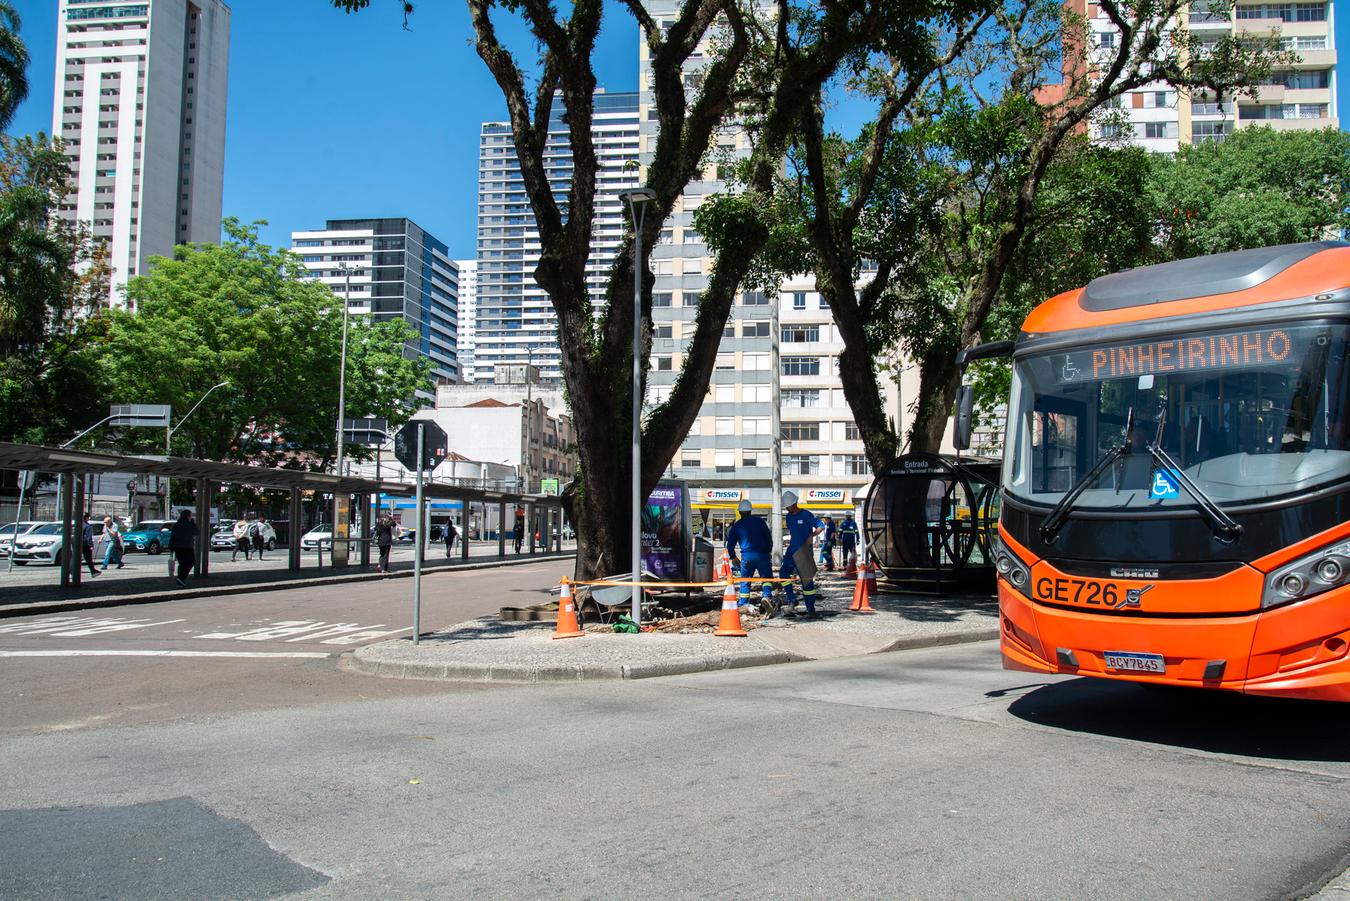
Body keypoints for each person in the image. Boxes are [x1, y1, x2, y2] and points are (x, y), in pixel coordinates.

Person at [780, 491, 823, 617]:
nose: (788, 509)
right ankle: (792, 600)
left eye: (789, 506)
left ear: (795, 503)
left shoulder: (806, 514)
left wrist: (812, 535)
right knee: (783, 574)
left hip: (804, 551)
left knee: (807, 581)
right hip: (792, 551)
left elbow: (820, 526)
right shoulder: (788, 517)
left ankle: (811, 609)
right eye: (786, 507)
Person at [724, 500, 773, 608]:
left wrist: (733, 557)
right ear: (750, 511)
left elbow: (730, 545)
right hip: (762, 555)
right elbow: (768, 539)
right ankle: (767, 596)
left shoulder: (737, 526)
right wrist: (768, 551)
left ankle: (744, 602)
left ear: (740, 512)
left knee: (745, 579)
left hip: (747, 556)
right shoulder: (760, 522)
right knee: (767, 578)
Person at [169, 509, 198, 587]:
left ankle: (180, 580)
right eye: (190, 515)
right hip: (187, 547)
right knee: (191, 562)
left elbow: (173, 536)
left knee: (182, 564)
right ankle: (181, 578)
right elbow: (196, 532)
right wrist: (192, 522)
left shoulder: (177, 524)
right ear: (188, 516)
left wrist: (171, 547)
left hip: (178, 547)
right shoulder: (189, 524)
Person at [80, 513, 101, 578]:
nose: (89, 518)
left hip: (76, 542)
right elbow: (88, 537)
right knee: (88, 558)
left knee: (76, 557)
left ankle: (71, 570)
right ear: (86, 518)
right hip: (84, 543)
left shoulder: (78, 525)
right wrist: (91, 545)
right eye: (88, 517)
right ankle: (93, 571)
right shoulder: (88, 526)